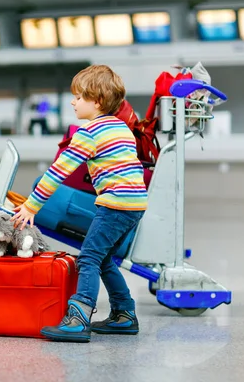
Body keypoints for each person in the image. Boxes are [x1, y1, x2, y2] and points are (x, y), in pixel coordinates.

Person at [11, 65, 148, 343]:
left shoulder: (90, 132)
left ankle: (78, 318)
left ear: (96, 101)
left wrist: (31, 206)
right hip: (134, 203)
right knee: (105, 258)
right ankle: (124, 315)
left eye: (79, 97)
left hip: (116, 203)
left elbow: (58, 171)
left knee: (88, 258)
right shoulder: (120, 127)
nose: (73, 102)